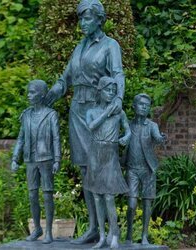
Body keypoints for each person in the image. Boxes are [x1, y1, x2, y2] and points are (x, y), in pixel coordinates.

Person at [45, 0, 125, 244]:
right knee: (84, 168)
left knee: (98, 168)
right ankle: (92, 227)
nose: (82, 23)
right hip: (77, 111)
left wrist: (119, 98)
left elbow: (118, 74)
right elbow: (65, 78)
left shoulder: (110, 45)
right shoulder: (78, 48)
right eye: (81, 19)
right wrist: (50, 94)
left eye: (87, 18)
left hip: (97, 111)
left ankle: (110, 231)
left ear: (99, 20)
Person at [11, 80, 61, 244]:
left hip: (46, 158)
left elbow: (56, 138)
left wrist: (57, 159)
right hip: (30, 160)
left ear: (41, 94)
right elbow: (20, 139)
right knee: (32, 195)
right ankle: (37, 229)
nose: (29, 95)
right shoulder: (26, 115)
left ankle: (48, 232)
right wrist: (15, 159)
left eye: (32, 92)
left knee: (47, 195)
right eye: (28, 92)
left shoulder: (51, 115)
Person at [85, 76, 130, 249]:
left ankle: (115, 234)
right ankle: (102, 237)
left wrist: (126, 137)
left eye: (113, 91)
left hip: (110, 153)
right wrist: (107, 112)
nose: (111, 93)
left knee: (109, 196)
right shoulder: (91, 111)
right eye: (107, 90)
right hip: (95, 153)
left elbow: (128, 130)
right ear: (100, 91)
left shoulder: (120, 112)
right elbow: (91, 127)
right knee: (97, 196)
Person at [125, 93, 166, 245]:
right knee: (132, 203)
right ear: (134, 106)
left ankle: (144, 236)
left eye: (147, 105)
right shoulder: (128, 125)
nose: (144, 107)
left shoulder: (152, 126)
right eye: (141, 104)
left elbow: (157, 137)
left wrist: (162, 138)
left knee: (147, 203)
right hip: (132, 169)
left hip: (148, 169)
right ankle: (129, 233)